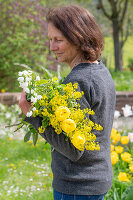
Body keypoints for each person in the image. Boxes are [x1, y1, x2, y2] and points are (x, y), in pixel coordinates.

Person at [19, 5, 116, 200]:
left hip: (77, 186)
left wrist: (32, 114)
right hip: (96, 179)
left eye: (58, 40)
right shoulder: (101, 71)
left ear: (78, 38)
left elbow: (74, 149)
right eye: (50, 39)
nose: (51, 47)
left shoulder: (78, 81)